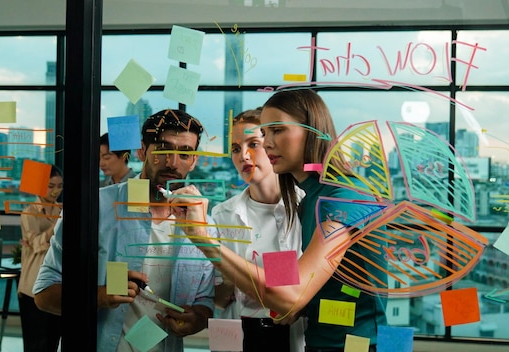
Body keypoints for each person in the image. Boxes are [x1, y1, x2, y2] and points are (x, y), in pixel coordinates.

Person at [171, 89, 386, 352]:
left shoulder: (340, 199)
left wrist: (203, 240)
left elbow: (292, 296)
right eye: (265, 133)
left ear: (312, 131)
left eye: (276, 130)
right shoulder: (311, 199)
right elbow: (315, 286)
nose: (268, 142)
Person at [34, 109, 216, 352]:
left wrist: (198, 319)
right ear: (142, 151)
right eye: (163, 149)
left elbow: (204, 301)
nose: (173, 162)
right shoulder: (93, 208)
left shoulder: (205, 226)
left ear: (194, 160)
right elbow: (44, 295)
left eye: (184, 153)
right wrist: (98, 296)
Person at [212, 108, 305, 352]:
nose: (243, 155)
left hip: (293, 338)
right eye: (234, 148)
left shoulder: (305, 208)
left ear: (273, 147)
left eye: (253, 143)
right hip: (238, 336)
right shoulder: (222, 215)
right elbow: (218, 295)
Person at [17, 164, 63, 352]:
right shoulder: (29, 212)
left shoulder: (61, 209)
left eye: (60, 186)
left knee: (53, 339)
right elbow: (36, 244)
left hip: (56, 284)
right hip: (32, 286)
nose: (56, 191)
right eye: (51, 186)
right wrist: (57, 226)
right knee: (35, 343)